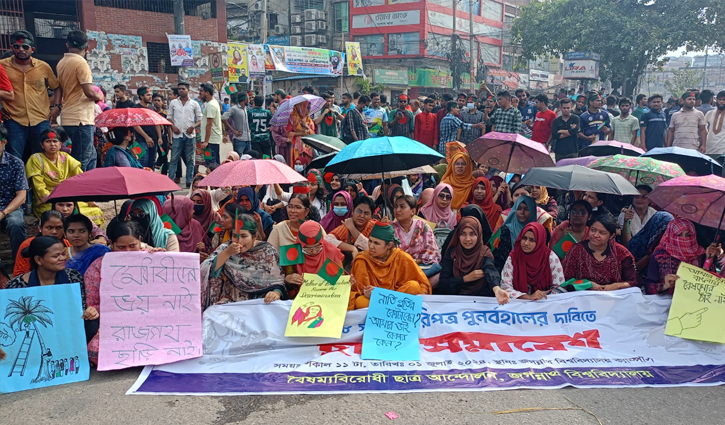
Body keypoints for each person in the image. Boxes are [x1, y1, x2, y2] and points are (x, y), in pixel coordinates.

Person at [83, 221, 162, 364]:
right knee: (96, 351)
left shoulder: (153, 258)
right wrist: (95, 313)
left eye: (133, 246)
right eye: (121, 247)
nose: (128, 252)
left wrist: (164, 260)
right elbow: (94, 303)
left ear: (140, 241)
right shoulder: (98, 268)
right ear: (111, 244)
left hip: (152, 319)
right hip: (118, 323)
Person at [6, 236, 97, 362]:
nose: (63, 258)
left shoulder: (73, 277)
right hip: (35, 335)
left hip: (68, 333)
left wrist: (90, 312)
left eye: (64, 254)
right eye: (56, 256)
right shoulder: (17, 286)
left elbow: (80, 310)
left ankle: (82, 357)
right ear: (38, 259)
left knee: (92, 324)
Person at [201, 213, 286, 309]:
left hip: (260, 302)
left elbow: (278, 279)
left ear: (254, 236)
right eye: (234, 236)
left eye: (244, 236)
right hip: (231, 302)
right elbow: (206, 270)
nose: (238, 241)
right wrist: (227, 253)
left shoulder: (267, 251)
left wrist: (276, 292)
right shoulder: (226, 248)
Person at [348, 220, 431, 310]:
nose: (371, 246)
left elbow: (422, 284)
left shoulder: (401, 257)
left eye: (376, 243)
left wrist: (382, 294)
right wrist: (365, 291)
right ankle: (389, 310)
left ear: (389, 245)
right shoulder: (362, 260)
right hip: (375, 300)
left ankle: (387, 309)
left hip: (396, 298)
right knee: (360, 302)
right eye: (370, 241)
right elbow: (357, 291)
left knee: (413, 286)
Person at [26, 129, 103, 225]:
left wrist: (89, 198)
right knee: (57, 215)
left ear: (60, 144)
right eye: (48, 142)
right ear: (42, 145)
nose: (52, 144)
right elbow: (39, 187)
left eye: (55, 141)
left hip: (68, 200)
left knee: (95, 211)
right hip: (48, 201)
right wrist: (57, 201)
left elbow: (81, 179)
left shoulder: (66, 157)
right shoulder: (36, 159)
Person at [1, 30, 56, 159]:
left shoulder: (43, 67)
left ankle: (40, 180)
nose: (21, 49)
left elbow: (57, 87)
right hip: (14, 119)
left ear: (32, 49)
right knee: (14, 156)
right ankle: (19, 180)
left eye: (25, 47)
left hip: (41, 119)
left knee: (43, 156)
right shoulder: (2, 66)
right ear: (11, 48)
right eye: (16, 46)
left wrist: (56, 106)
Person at [57, 30, 103, 171]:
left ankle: (89, 187)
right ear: (86, 48)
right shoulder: (81, 63)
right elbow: (88, 92)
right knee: (81, 159)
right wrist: (99, 97)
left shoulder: (61, 63)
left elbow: (60, 88)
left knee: (92, 156)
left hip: (68, 116)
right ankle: (78, 191)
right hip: (81, 118)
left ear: (67, 45)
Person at [436, 216, 508, 302]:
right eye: (463, 234)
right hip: (455, 301)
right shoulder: (452, 254)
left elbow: (490, 269)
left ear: (478, 234)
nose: (467, 239)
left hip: (479, 302)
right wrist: (465, 279)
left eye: (472, 234)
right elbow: (443, 284)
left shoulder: (484, 252)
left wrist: (496, 289)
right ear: (458, 235)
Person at [562, 214, 637, 290]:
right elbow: (565, 280)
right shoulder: (576, 250)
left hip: (614, 297)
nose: (595, 235)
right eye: (593, 230)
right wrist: (587, 284)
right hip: (582, 297)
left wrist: (615, 286)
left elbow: (633, 281)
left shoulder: (621, 253)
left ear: (611, 236)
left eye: (602, 233)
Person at [644, 218, 712, 295]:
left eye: (688, 235)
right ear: (671, 235)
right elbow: (648, 286)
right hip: (665, 301)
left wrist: (709, 259)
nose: (684, 239)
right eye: (679, 235)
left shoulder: (701, 255)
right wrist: (665, 286)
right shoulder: (659, 257)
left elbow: (711, 282)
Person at [500, 222, 565, 300]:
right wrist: (528, 297)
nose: (526, 243)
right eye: (524, 238)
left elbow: (559, 287)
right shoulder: (514, 256)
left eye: (532, 240)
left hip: (545, 304)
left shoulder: (550, 258)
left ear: (540, 241)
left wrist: (541, 298)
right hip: (518, 304)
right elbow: (505, 286)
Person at [285, 221, 344, 297]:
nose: (313, 251)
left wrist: (347, 281)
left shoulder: (332, 252)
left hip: (329, 296)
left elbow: (341, 280)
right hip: (301, 297)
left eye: (317, 247)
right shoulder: (292, 253)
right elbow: (284, 283)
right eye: (307, 248)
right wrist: (288, 279)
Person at [392, 195, 441, 282]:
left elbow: (431, 252)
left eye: (402, 207)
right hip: (399, 268)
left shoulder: (422, 226)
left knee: (438, 276)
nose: (397, 210)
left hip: (421, 266)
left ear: (413, 211)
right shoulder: (391, 228)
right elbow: (388, 254)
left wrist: (414, 261)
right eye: (395, 207)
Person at [0, 123, 29, 261]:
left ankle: (20, 263)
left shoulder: (16, 163)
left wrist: (3, 212)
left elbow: (21, 196)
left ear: (4, 142)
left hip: (11, 206)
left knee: (16, 223)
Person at [14, 210, 70, 277]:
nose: (54, 232)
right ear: (40, 228)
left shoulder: (68, 244)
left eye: (59, 228)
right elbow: (19, 274)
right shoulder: (28, 244)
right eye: (49, 228)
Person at [168, 81, 202, 188]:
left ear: (188, 90)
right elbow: (169, 118)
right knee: (174, 159)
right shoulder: (173, 103)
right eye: (179, 89)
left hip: (190, 135)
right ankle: (170, 181)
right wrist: (173, 127)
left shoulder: (194, 104)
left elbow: (200, 119)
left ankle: (189, 181)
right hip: (177, 135)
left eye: (183, 89)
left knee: (190, 160)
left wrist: (193, 126)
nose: (181, 90)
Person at [493, 195, 537, 271]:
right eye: (519, 209)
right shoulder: (506, 231)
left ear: (532, 211)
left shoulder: (538, 233)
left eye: (526, 209)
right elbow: (500, 260)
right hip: (508, 273)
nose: (522, 212)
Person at [131, 87, 161, 169]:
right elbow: (135, 125)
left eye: (150, 95)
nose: (150, 97)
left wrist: (160, 137)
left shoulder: (152, 108)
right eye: (147, 95)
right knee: (143, 161)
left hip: (154, 139)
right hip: (141, 139)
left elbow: (157, 123)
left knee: (152, 162)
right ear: (141, 96)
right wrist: (146, 137)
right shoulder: (135, 108)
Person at [199, 83, 223, 168]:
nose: (200, 93)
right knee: (214, 164)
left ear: (207, 93)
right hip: (212, 140)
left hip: (210, 141)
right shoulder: (212, 103)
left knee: (211, 165)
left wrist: (206, 141)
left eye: (201, 91)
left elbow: (209, 124)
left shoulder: (211, 105)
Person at [704, 90, 725, 159]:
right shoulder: (710, 113)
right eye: (720, 100)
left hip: (723, 151)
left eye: (724, 100)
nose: (721, 102)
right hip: (709, 149)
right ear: (716, 100)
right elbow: (703, 128)